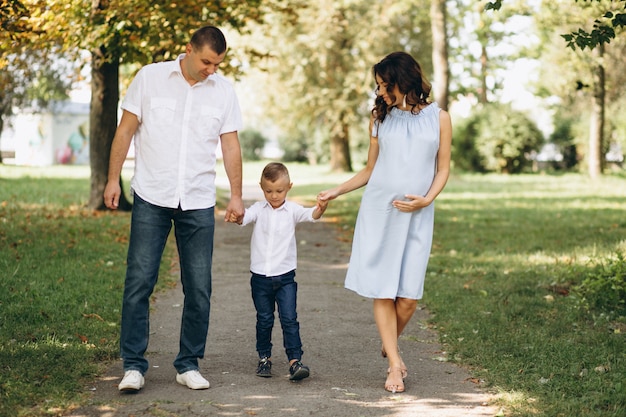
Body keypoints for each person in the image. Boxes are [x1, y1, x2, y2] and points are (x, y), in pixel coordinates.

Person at [103, 25, 244, 392]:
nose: (212, 70)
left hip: (197, 201)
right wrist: (112, 179)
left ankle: (188, 364)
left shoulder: (224, 91)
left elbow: (230, 146)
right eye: (207, 62)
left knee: (199, 288)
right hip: (151, 195)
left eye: (218, 64)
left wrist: (236, 195)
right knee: (139, 282)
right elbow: (125, 131)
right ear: (188, 49)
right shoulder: (150, 78)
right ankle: (133, 366)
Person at [318, 51, 452, 394]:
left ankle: (389, 341)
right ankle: (394, 363)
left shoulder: (440, 118)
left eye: (383, 85)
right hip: (380, 212)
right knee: (383, 289)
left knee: (407, 298)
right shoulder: (380, 118)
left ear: (402, 80)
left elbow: (443, 169)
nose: (379, 92)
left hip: (418, 214)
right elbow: (369, 169)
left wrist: (428, 198)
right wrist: (337, 190)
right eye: (378, 86)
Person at [229, 162, 328, 380]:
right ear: (261, 188)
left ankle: (295, 361)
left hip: (285, 278)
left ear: (289, 187)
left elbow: (311, 215)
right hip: (260, 278)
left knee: (289, 318)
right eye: (268, 191)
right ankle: (264, 358)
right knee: (264, 319)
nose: (274, 196)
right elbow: (244, 218)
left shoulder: (292, 210)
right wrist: (237, 216)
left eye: (279, 191)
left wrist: (321, 207)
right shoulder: (258, 208)